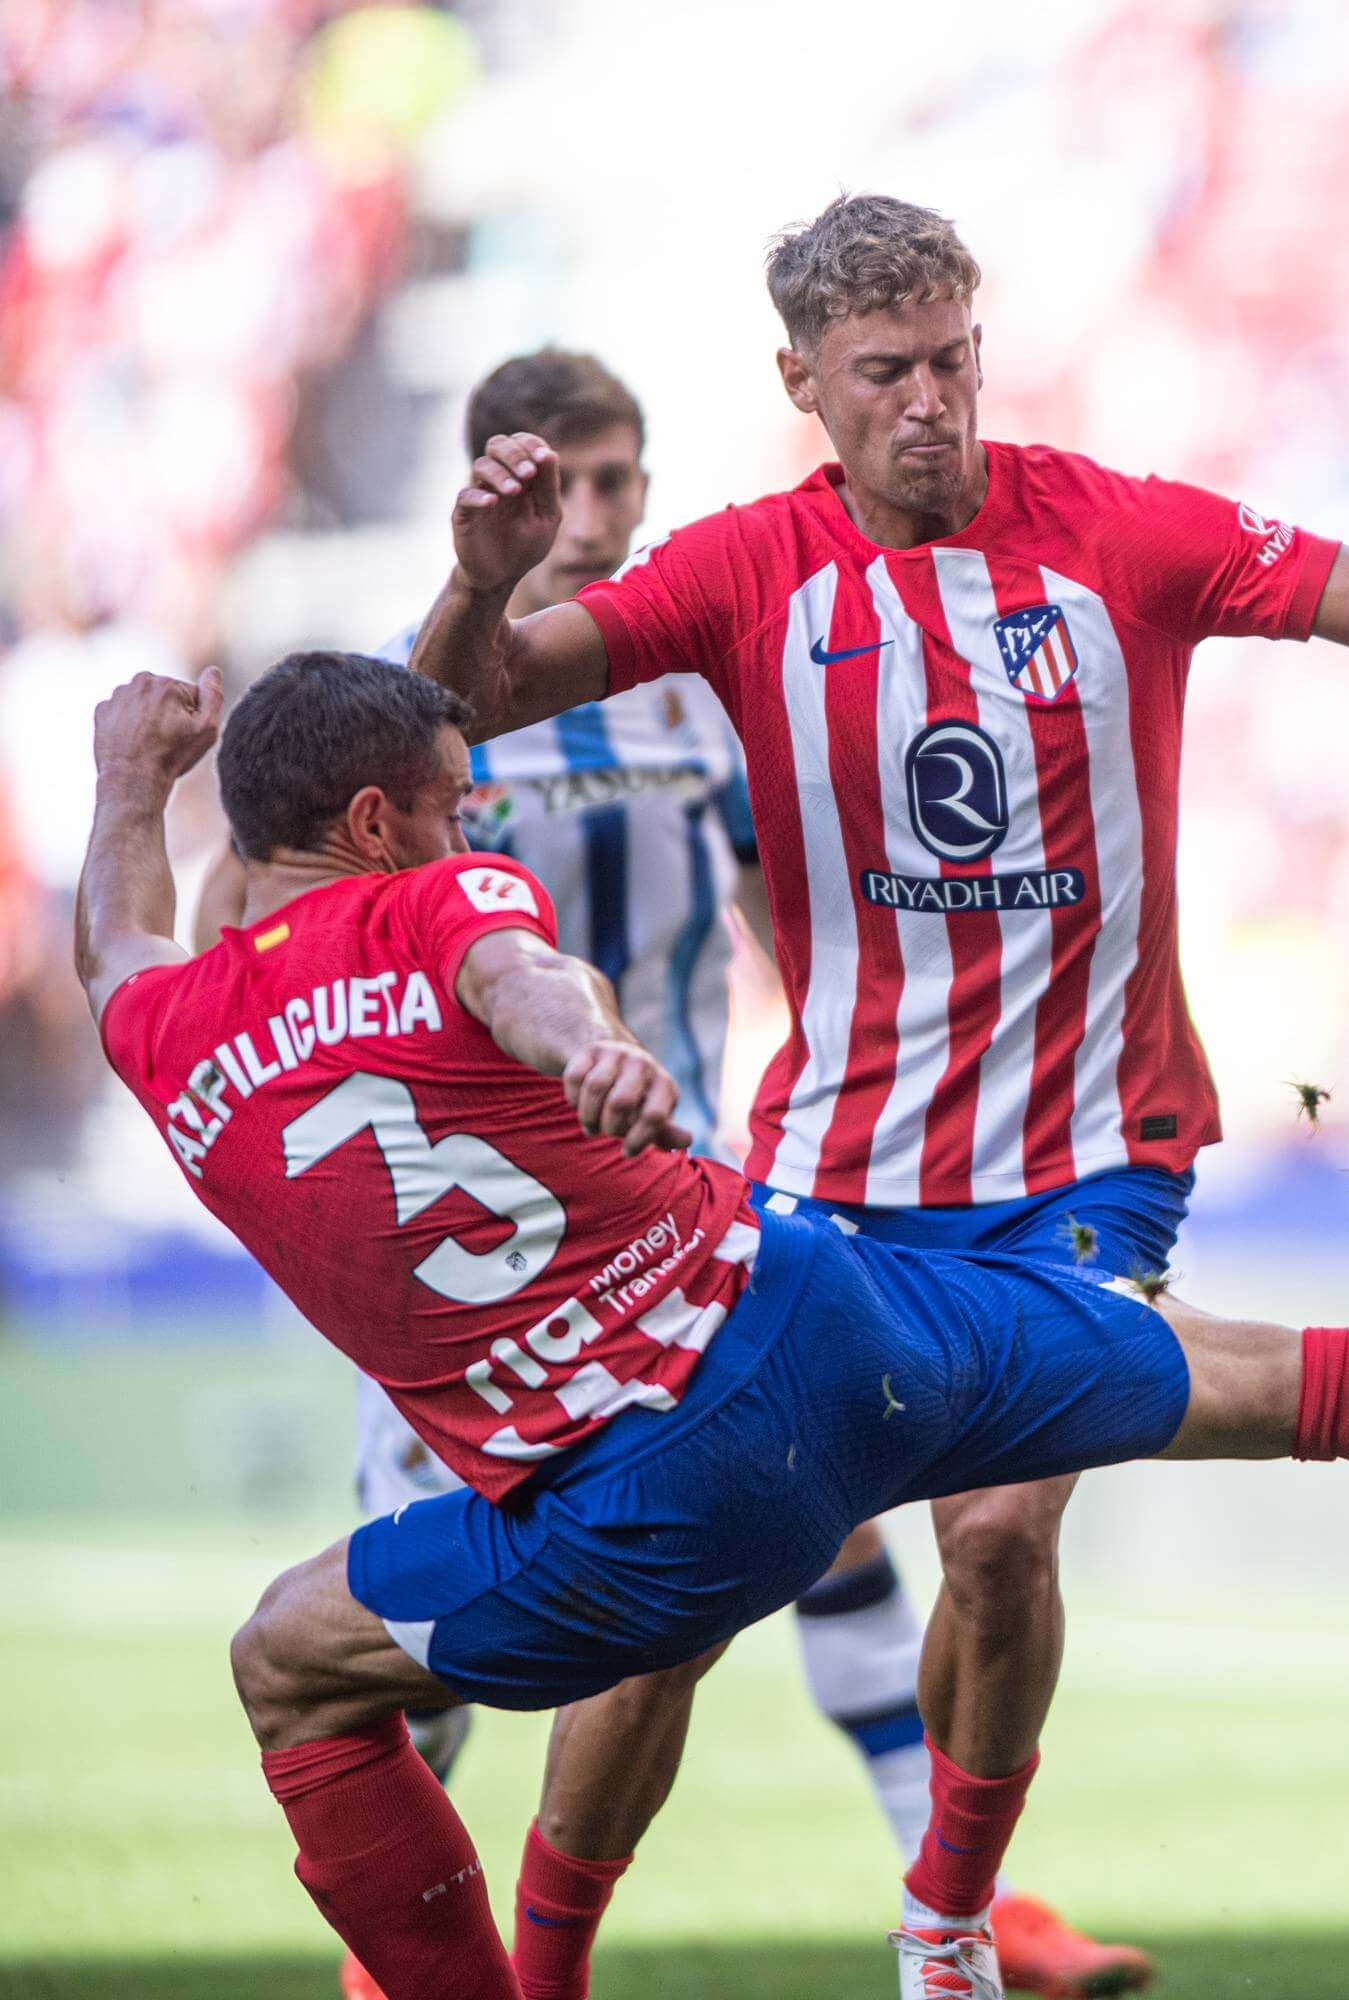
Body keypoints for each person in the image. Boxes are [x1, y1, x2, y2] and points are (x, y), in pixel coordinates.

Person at [76, 653, 1349, 2000]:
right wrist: (588, 1051)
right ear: (373, 815)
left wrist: (117, 776)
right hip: (824, 1316)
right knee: (1278, 1379)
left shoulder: (163, 1032)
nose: (478, 817)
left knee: (291, 1660)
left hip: (635, 1506)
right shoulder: (438, 907)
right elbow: (519, 965)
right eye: (453, 798)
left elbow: (124, 944)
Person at [399, 192, 1349, 1991]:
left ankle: (945, 1928)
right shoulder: (739, 569)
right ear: (804, 382)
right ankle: (536, 1976)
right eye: (885, 372)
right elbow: (454, 710)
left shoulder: (1120, 531)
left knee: (1000, 1534)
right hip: (833, 1166)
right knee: (668, 1588)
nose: (932, 400)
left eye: (954, 360)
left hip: (1093, 1154)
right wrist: (478, 572)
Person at [192, 348, 1016, 2000]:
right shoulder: (402, 718)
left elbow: (799, 925)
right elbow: (243, 925)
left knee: (834, 1525)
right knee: (428, 1623)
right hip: (469, 1253)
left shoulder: (695, 692)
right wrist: (463, 595)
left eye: (616, 480)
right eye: (547, 484)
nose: (588, 516)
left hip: (686, 1211)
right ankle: (411, 1947)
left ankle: (959, 1893)